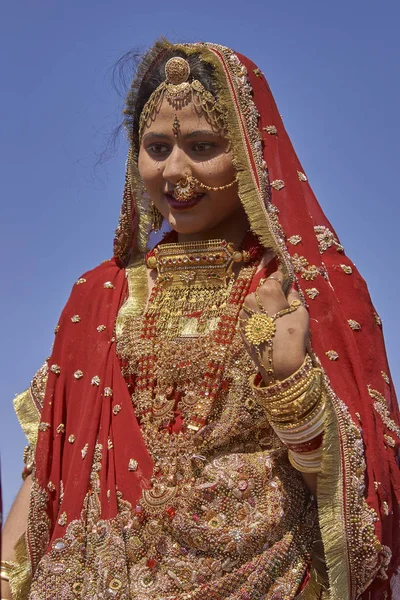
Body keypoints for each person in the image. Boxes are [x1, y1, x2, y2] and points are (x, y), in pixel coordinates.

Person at [1, 39, 399, 600]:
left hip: (272, 574)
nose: (176, 172)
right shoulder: (101, 295)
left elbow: (360, 502)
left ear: (250, 152)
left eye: (202, 145)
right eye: (157, 147)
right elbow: (48, 469)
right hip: (103, 573)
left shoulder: (307, 289)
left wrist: (289, 382)